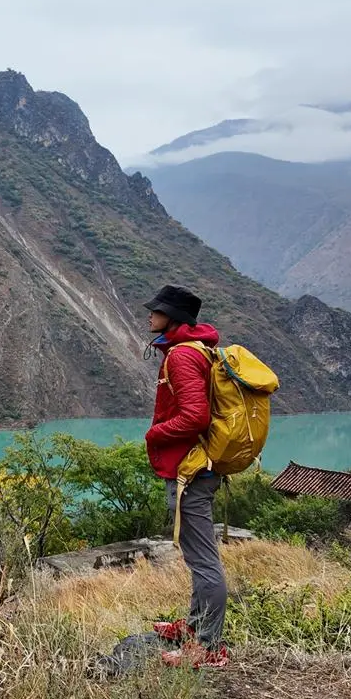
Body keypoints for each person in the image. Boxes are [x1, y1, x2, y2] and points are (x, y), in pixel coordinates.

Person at [142, 285, 229, 668]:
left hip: (191, 470)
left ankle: (207, 648)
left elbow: (195, 417)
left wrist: (154, 433)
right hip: (198, 465)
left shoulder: (181, 357)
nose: (149, 316)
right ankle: (195, 628)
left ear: (173, 318)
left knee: (203, 559)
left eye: (157, 311)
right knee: (197, 555)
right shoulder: (197, 349)